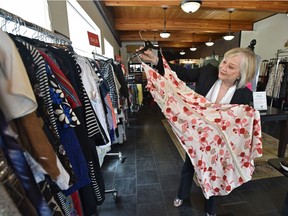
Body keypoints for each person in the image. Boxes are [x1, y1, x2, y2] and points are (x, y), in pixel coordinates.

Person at [137, 47, 257, 216]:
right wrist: (156, 60)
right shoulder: (208, 72)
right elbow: (181, 73)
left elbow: (241, 126)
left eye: (231, 67)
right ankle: (182, 194)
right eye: (224, 62)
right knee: (189, 165)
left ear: (241, 74)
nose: (223, 68)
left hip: (218, 143)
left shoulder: (244, 96)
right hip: (196, 134)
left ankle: (210, 208)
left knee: (214, 171)